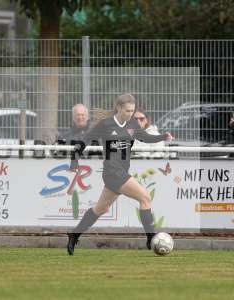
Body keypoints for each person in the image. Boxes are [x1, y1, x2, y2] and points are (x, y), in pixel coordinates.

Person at [66, 93, 173, 255]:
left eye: (132, 110)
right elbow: (85, 141)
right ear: (118, 108)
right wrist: (74, 160)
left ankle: (74, 235)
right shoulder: (106, 124)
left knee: (100, 209)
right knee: (145, 197)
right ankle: (151, 237)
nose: (130, 114)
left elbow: (146, 138)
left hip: (121, 172)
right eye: (127, 110)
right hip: (112, 172)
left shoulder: (133, 125)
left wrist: (163, 136)